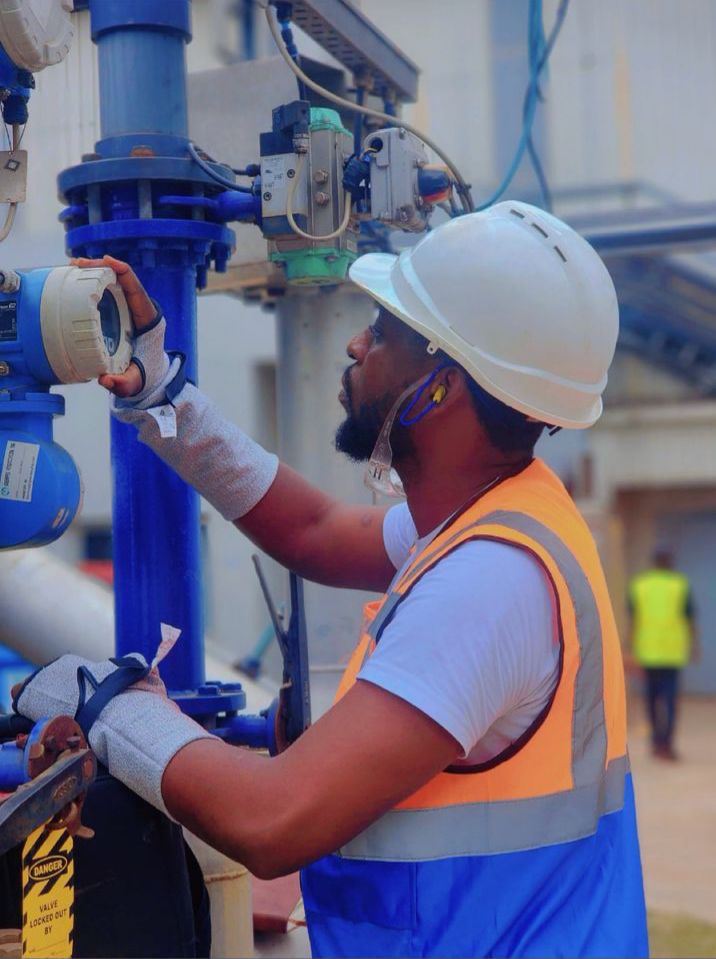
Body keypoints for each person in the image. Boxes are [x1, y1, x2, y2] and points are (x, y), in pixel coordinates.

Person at [13, 202, 648, 958]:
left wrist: (109, 708)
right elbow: (314, 532)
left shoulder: (488, 584)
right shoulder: (503, 511)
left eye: (383, 332)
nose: (356, 343)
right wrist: (163, 397)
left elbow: (273, 820)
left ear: (441, 387)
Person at [628, 549, 699, 761]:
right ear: (670, 563)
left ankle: (655, 742)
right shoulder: (680, 585)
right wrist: (694, 645)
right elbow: (690, 618)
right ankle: (666, 745)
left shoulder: (639, 585)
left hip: (647, 652)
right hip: (672, 653)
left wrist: (628, 649)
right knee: (669, 699)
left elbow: (633, 621)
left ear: (654, 563)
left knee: (651, 698)